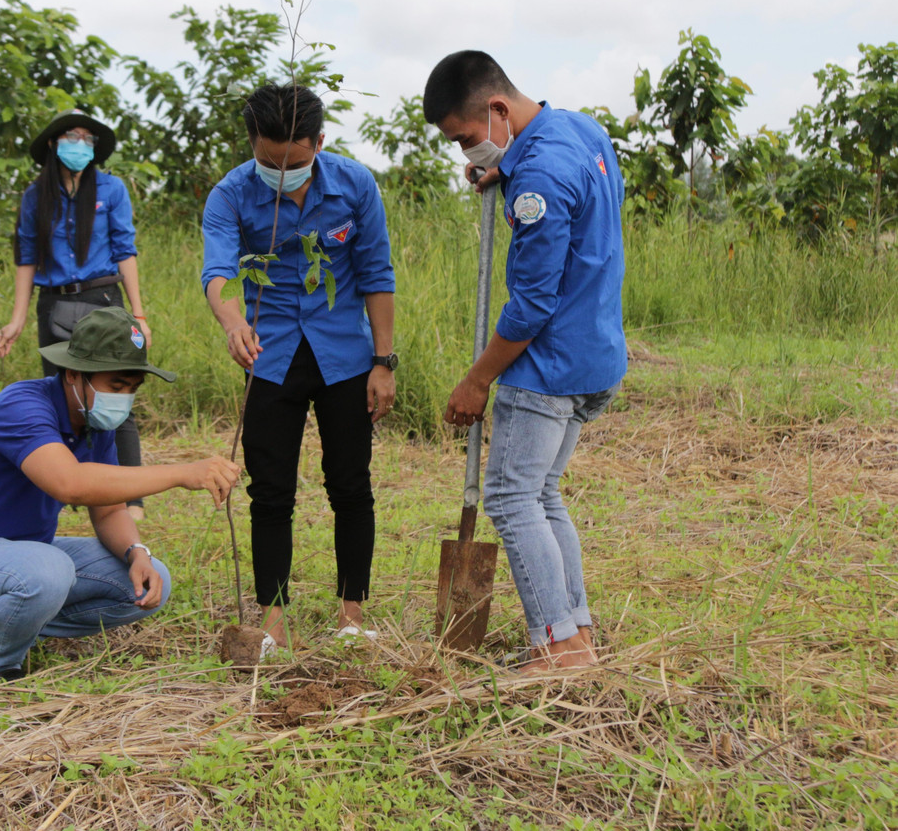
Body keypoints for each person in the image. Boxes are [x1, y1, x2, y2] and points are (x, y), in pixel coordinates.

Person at [0, 306, 240, 703]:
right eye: (116, 386)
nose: (124, 399)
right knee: (50, 569)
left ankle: (20, 623)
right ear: (73, 375)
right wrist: (181, 473)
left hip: (26, 559)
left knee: (153, 580)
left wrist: (137, 552)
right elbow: (71, 485)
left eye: (133, 389)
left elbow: (110, 510)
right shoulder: (22, 406)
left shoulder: (95, 424)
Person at [423, 50, 627, 672]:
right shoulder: (578, 128)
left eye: (465, 140)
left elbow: (533, 304)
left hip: (549, 366)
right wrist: (502, 173)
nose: (466, 155)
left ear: (497, 110)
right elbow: (570, 190)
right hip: (596, 353)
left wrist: (476, 380)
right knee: (542, 493)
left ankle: (557, 647)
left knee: (512, 499)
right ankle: (577, 634)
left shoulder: (536, 179)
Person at [201, 83, 397, 648]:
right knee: (271, 492)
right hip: (270, 355)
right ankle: (273, 621)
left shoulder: (356, 185)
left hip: (346, 358)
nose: (281, 172)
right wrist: (234, 323)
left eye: (295, 161)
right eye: (268, 161)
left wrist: (382, 362)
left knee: (351, 486)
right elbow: (218, 272)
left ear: (319, 141)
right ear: (253, 146)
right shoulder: (231, 195)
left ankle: (353, 617)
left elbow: (377, 275)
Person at [0, 110, 150, 520]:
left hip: (103, 301)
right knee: (63, 398)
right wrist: (17, 318)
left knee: (116, 394)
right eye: (71, 136)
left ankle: (130, 499)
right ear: (53, 144)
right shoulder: (35, 196)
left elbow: (125, 250)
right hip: (54, 304)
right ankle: (69, 488)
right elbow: (26, 258)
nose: (80, 144)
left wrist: (139, 314)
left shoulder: (111, 189)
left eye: (87, 138)